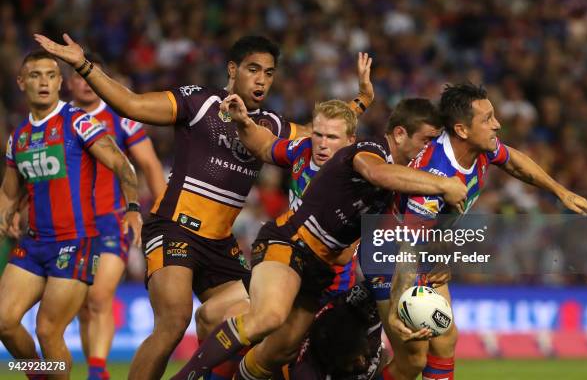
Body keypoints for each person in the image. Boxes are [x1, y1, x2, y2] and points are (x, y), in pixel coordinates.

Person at [34, 33, 368, 379]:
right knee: (174, 322)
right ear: (232, 69)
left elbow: (327, 135)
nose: (261, 80)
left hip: (221, 245)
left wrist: (360, 102)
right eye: (253, 69)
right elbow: (132, 105)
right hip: (173, 228)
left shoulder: (272, 127)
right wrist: (83, 65)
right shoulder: (200, 102)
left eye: (269, 73)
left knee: (258, 319)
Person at [171, 95, 467, 380]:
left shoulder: (401, 185)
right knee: (268, 317)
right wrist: (443, 184)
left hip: (320, 272)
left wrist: (431, 264)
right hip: (288, 244)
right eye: (427, 141)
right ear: (400, 135)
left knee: (278, 351)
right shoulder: (370, 150)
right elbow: (377, 174)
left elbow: (403, 244)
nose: (429, 151)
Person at [383, 83, 587, 380]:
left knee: (445, 339)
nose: (497, 124)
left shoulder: (479, 147)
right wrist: (400, 299)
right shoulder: (435, 174)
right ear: (461, 129)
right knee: (413, 360)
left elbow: (516, 163)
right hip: (390, 254)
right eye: (487, 119)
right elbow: (409, 244)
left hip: (423, 245)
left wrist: (560, 192)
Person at [195, 54, 374, 380]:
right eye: (317, 135)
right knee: (209, 315)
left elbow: (345, 253)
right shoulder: (301, 150)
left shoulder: (358, 181)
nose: (321, 144)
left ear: (351, 144)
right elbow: (270, 146)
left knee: (284, 358)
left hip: (325, 290)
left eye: (330, 139)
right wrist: (243, 121)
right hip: (286, 266)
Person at [0, 50, 142, 380]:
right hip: (34, 244)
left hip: (74, 243)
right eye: (35, 75)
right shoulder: (18, 137)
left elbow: (122, 163)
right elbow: (9, 190)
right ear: (22, 83)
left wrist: (133, 208)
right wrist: (6, 213)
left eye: (51, 75)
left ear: (60, 82)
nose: (44, 82)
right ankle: (38, 373)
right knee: (4, 322)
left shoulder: (77, 121)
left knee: (48, 331)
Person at [65, 52, 166, 380]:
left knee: (98, 295)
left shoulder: (122, 117)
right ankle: (99, 369)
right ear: (69, 84)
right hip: (73, 225)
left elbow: (149, 165)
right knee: (82, 304)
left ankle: (96, 371)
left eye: (89, 75)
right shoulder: (61, 120)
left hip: (113, 220)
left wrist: (164, 213)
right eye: (78, 77)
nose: (86, 83)